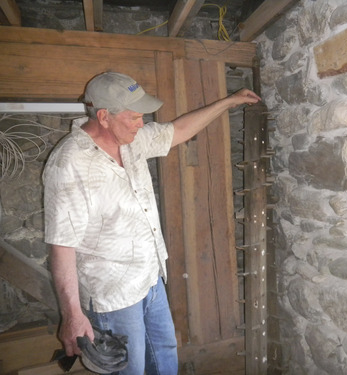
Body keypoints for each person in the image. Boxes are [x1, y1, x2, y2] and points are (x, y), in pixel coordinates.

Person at [43, 71, 261, 375]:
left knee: (164, 356)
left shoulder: (132, 141)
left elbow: (179, 130)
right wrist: (72, 315)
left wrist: (229, 101)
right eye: (133, 117)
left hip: (150, 278)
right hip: (113, 294)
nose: (140, 124)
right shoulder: (69, 163)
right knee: (131, 369)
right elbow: (62, 244)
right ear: (104, 116)